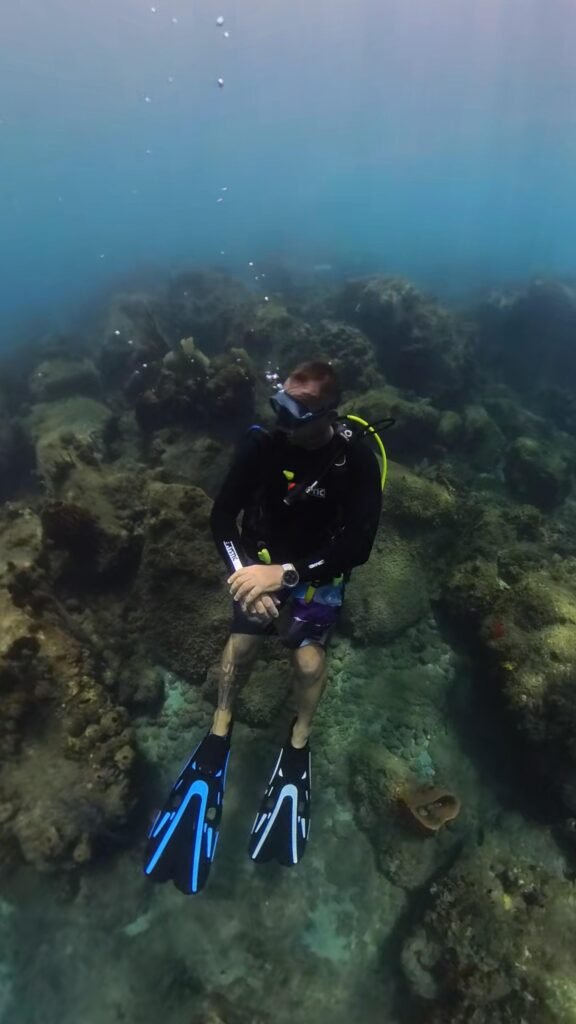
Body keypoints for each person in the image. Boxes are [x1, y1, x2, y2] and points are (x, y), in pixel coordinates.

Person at [144, 360, 383, 894]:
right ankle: (220, 728)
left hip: (317, 569)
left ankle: (298, 740)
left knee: (307, 658)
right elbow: (221, 519)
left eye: (294, 412)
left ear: (326, 413)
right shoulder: (261, 445)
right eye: (279, 405)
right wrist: (244, 575)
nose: (281, 419)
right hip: (258, 561)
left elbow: (358, 547)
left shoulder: (355, 460)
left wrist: (291, 575)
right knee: (242, 646)